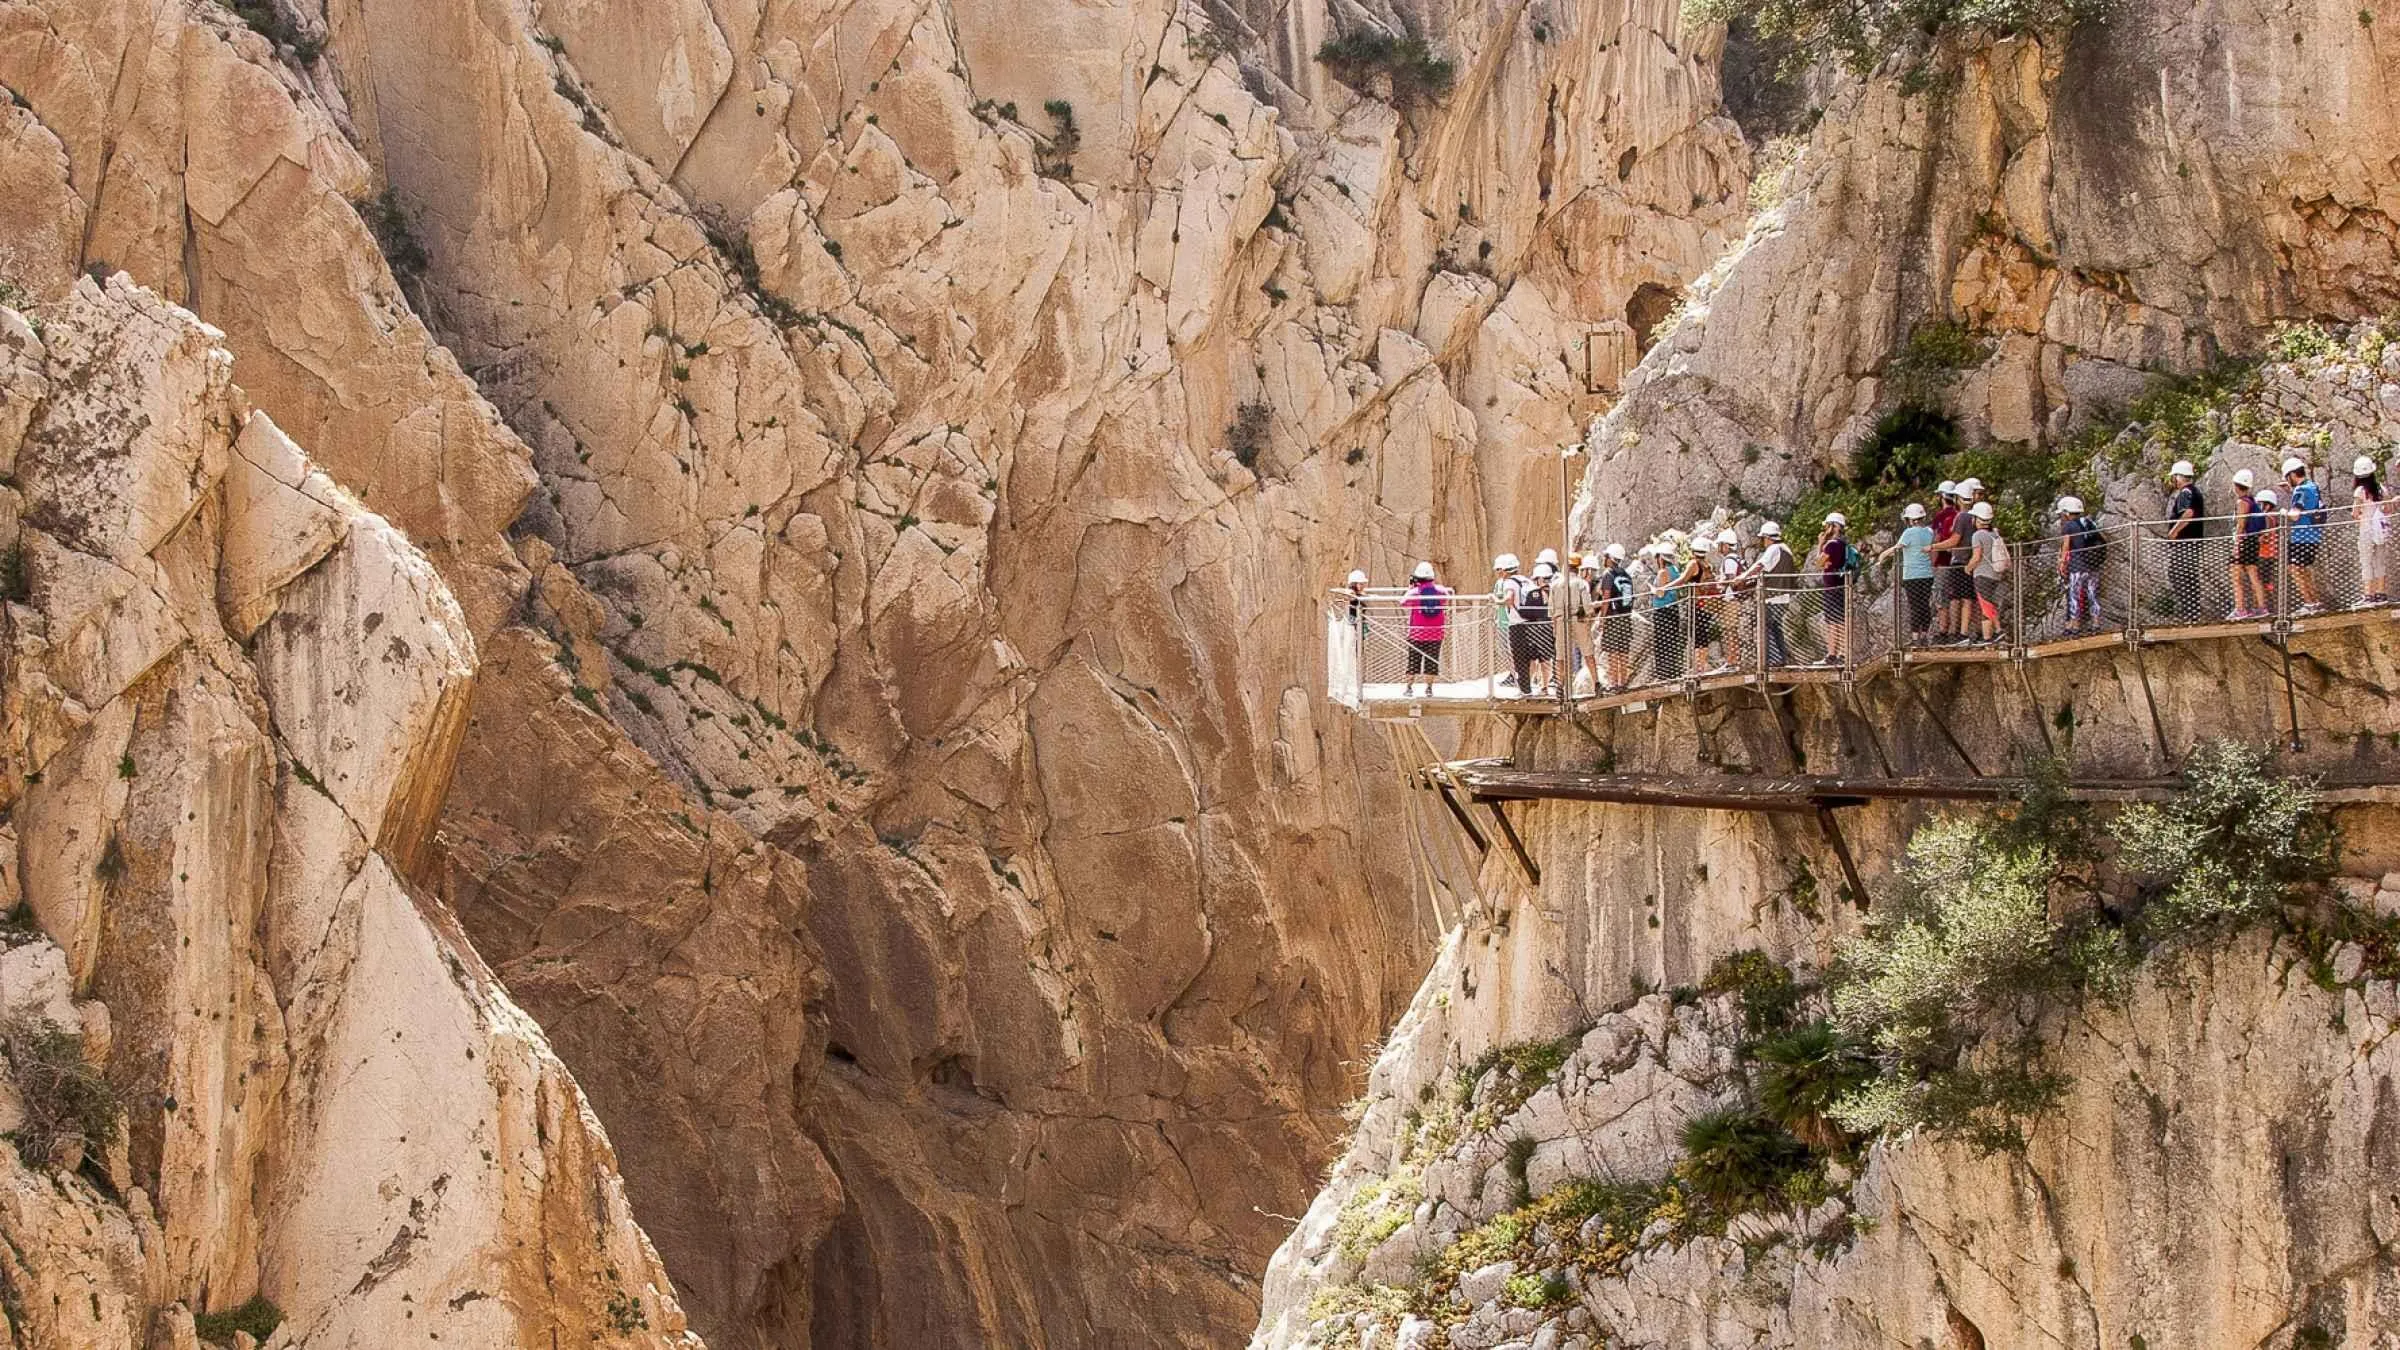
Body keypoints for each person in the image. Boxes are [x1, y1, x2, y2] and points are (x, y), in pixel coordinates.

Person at [1877, 503, 1936, 644]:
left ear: (1910, 519)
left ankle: (1915, 637)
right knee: (1924, 604)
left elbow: (1897, 548)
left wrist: (1883, 555)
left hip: (1912, 575)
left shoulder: (1908, 533)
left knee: (1914, 606)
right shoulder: (1929, 532)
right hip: (1927, 574)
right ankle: (1924, 636)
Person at [2163, 460, 2206, 621]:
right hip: (2193, 541)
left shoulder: (2186, 492)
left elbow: (2188, 513)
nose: (2173, 480)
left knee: (2178, 574)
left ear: (2179, 476)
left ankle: (2189, 612)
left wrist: (2174, 531)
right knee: (2189, 575)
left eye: (2174, 477)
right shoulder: (2195, 491)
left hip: (2185, 541)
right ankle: (2192, 613)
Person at [2282, 457, 2326, 613]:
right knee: (2304, 569)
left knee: (2294, 568)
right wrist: (2291, 491)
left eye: (2288, 478)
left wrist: (2283, 513)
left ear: (2293, 475)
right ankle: (2315, 602)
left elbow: (2295, 514)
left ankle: (2309, 603)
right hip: (2314, 536)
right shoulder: (2312, 486)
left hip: (2301, 537)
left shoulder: (2301, 490)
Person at [2055, 497, 2104, 634]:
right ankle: (2096, 623)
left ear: (2066, 512)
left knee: (2074, 594)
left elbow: (2066, 546)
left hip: (2077, 566)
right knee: (2092, 594)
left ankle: (2075, 625)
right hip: (2093, 564)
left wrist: (2062, 563)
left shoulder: (2068, 526)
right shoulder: (2089, 522)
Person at [1400, 562, 1450, 696]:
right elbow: (1446, 599)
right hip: (1436, 633)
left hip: (1417, 634)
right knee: (1432, 662)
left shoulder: (1415, 593)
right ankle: (1429, 688)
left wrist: (1410, 588)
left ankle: (1409, 688)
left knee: (1413, 661)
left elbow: (1403, 602)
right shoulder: (1441, 591)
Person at [1932, 482, 1973, 643]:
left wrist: (1933, 553)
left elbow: (1948, 539)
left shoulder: (1952, 517)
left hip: (1951, 562)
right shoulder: (1971, 516)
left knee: (1951, 598)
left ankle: (1949, 632)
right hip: (1966, 561)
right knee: (1966, 598)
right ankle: (1960, 631)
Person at [1752, 521, 1796, 668]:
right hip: (1784, 595)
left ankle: (1774, 659)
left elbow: (1760, 565)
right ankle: (1782, 657)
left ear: (1767, 537)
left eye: (1763, 538)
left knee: (1766, 627)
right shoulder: (1786, 549)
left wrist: (1743, 577)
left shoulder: (1773, 549)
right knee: (1777, 627)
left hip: (1772, 596)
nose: (1762, 542)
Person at [1596, 544, 1637, 688]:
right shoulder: (1626, 575)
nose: (1603, 559)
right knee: (1623, 651)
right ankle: (1623, 683)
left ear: (1610, 558)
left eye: (1605, 556)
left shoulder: (1608, 574)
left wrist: (1602, 618)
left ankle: (1613, 684)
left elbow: (1606, 597)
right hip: (1626, 617)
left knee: (1612, 651)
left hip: (1613, 617)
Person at [1814, 513, 1854, 663]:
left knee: (1833, 621)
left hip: (1832, 586)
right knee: (1839, 620)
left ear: (1835, 526)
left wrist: (1820, 544)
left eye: (1828, 525)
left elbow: (1818, 563)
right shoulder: (1844, 545)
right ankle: (1840, 654)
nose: (1825, 529)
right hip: (1841, 584)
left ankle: (1834, 654)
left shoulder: (1832, 545)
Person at [1516, 560, 1559, 695]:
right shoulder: (1556, 591)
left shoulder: (1533, 594)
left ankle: (1528, 687)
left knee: (1533, 660)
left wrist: (1519, 611)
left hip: (1534, 630)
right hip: (1549, 629)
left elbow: (1528, 612)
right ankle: (1544, 687)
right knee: (1545, 659)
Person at [1966, 500, 2006, 644]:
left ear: (1977, 519)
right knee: (1988, 604)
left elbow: (1976, 557)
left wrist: (1968, 568)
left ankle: (1993, 634)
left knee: (1985, 606)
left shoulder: (1978, 535)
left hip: (1982, 575)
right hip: (1996, 574)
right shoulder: (1995, 534)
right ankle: (1993, 634)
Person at [2230, 470, 2268, 618]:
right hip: (2253, 542)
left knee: (2236, 575)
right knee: (2253, 574)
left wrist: (2237, 546)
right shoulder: (2253, 502)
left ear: (2236, 485)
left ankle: (2240, 609)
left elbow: (2240, 525)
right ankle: (2261, 607)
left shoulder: (2242, 502)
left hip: (2244, 542)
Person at [1648, 542, 1688, 681]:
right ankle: (1672, 672)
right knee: (1671, 641)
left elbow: (1660, 593)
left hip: (1662, 611)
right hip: (1673, 609)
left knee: (1662, 643)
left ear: (1661, 557)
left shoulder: (1663, 572)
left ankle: (1663, 674)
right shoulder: (1675, 571)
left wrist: (1652, 590)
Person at [2357, 455, 2390, 606]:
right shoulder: (2381, 488)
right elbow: (2388, 508)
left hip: (2366, 530)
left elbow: (2355, 512)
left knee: (2366, 562)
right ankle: (2381, 593)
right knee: (2380, 562)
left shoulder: (2360, 491)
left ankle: (2368, 594)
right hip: (2380, 531)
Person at [1491, 553, 1522, 687]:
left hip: (1511, 621)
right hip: (1502, 621)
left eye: (1499, 570)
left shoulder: (1512, 583)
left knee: (1513, 649)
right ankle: (1512, 673)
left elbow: (1506, 600)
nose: (1498, 572)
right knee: (1506, 650)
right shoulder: (1499, 584)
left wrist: (1496, 601)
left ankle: (1516, 675)